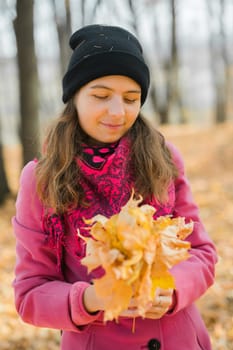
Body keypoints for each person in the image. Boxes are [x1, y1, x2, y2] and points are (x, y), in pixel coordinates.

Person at [13, 24, 217, 350]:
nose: (118, 112)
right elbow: (29, 293)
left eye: (131, 98)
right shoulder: (42, 179)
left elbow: (201, 253)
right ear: (74, 97)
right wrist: (91, 298)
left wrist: (172, 289)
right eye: (101, 96)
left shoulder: (162, 158)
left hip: (176, 338)